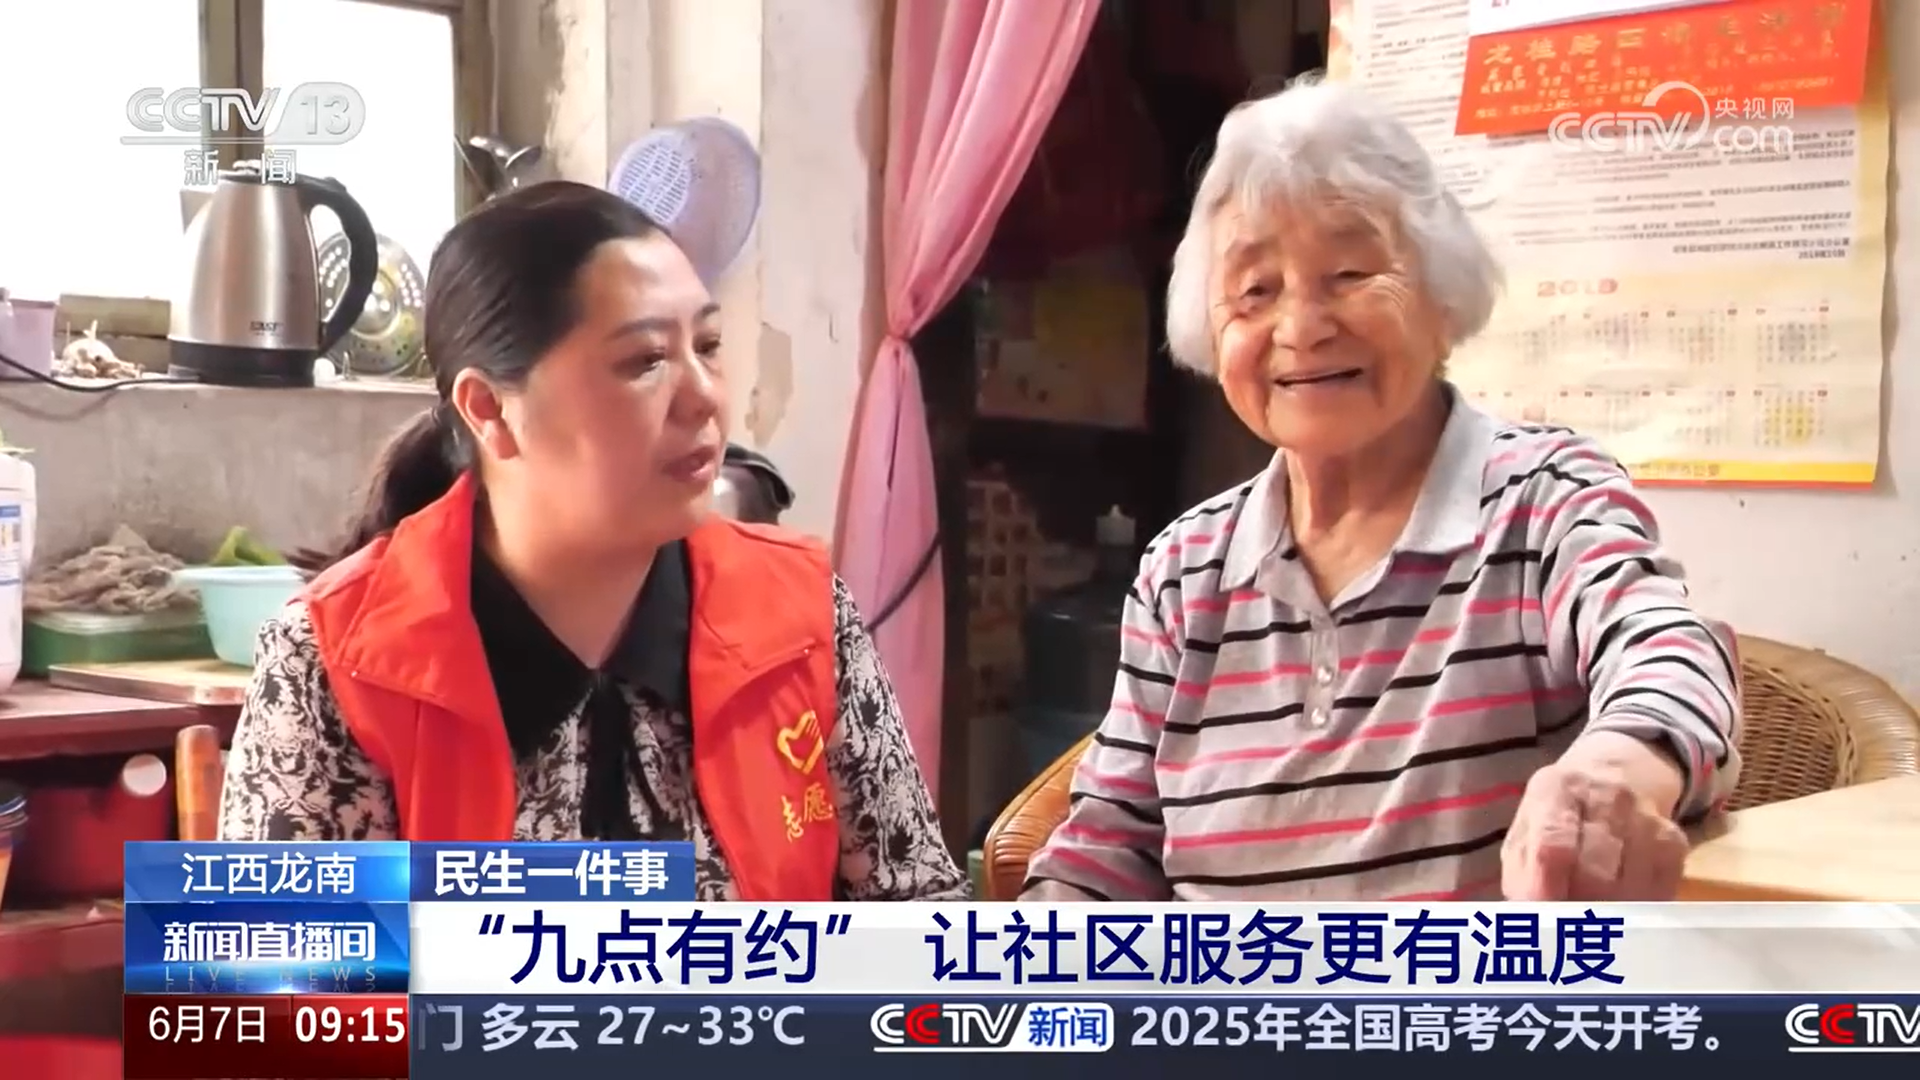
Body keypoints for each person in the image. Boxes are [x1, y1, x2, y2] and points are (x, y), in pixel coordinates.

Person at [1022, 77, 1741, 904]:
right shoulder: (1182, 572)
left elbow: (1671, 657)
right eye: (1256, 290)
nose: (1302, 328)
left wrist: (1612, 774)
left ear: (1441, 296)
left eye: (1350, 272)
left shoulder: (1543, 499)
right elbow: (1107, 845)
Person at [219, 181, 966, 902]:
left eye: (707, 344)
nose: (705, 395)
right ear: (490, 410)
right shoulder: (336, 665)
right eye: (645, 361)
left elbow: (919, 917)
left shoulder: (803, 618)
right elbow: (288, 984)